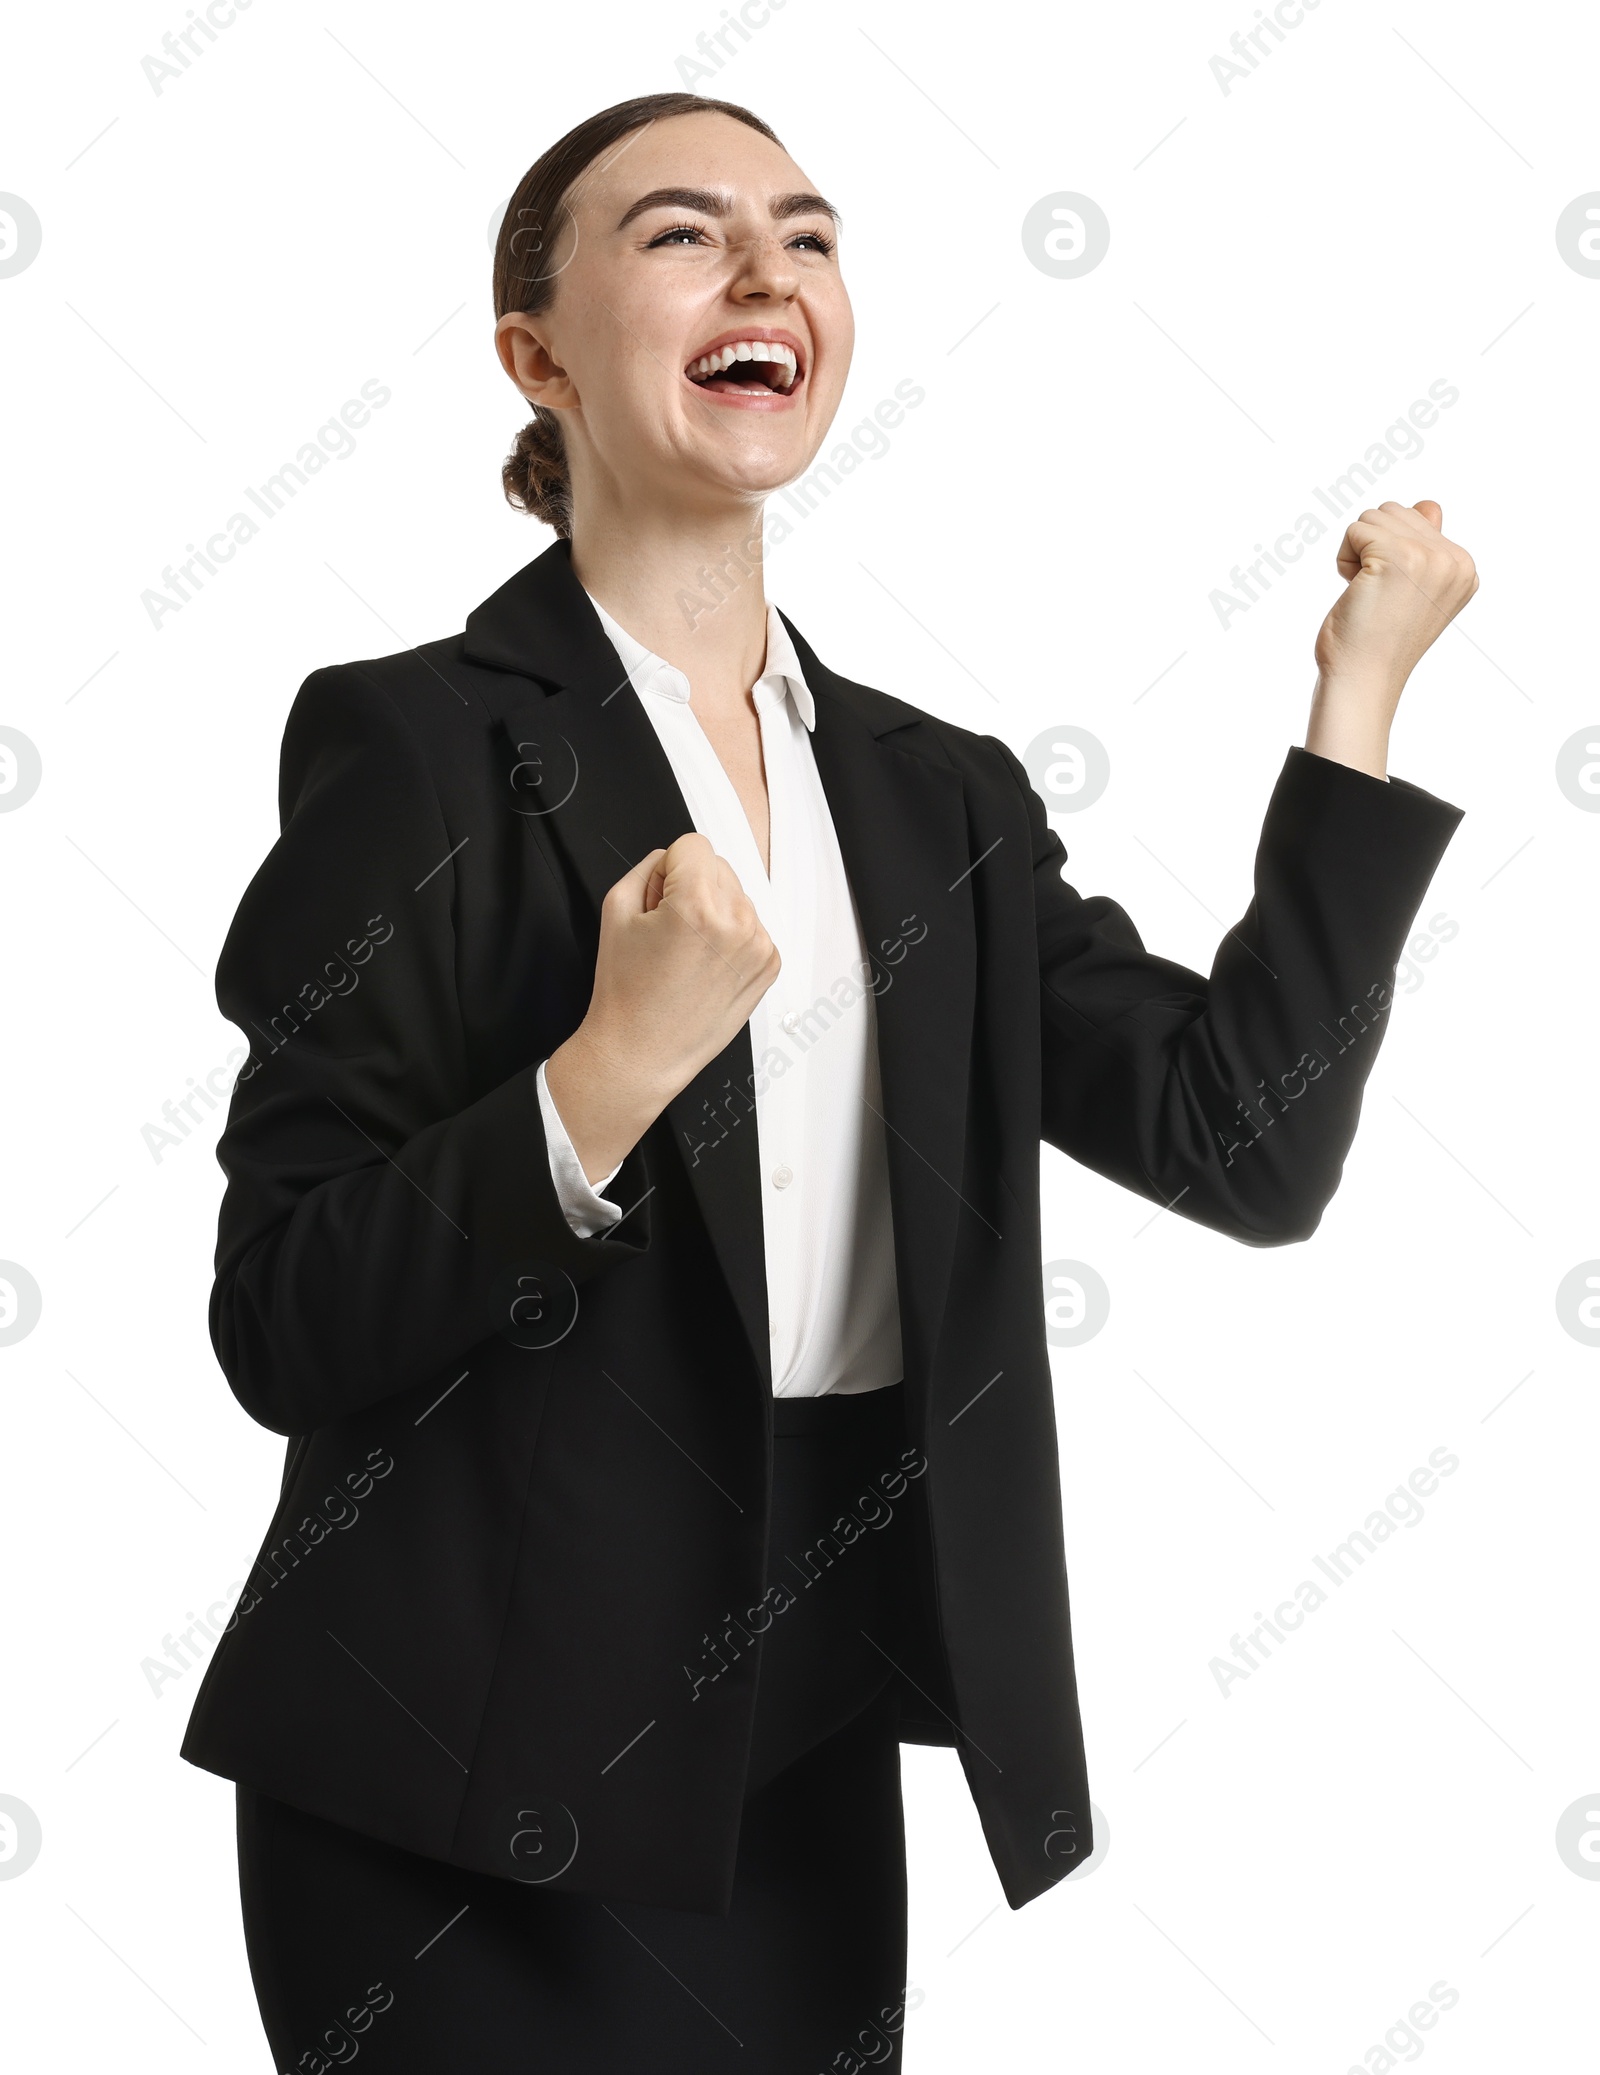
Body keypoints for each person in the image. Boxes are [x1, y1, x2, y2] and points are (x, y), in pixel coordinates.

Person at [180, 89, 1474, 2074]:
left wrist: (1356, 697)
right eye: (680, 234)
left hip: (796, 1741)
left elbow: (1244, 1141)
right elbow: (283, 1319)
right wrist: (604, 1072)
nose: (765, 266)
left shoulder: (930, 796)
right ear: (536, 354)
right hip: (452, 1771)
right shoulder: (415, 753)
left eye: (805, 230)